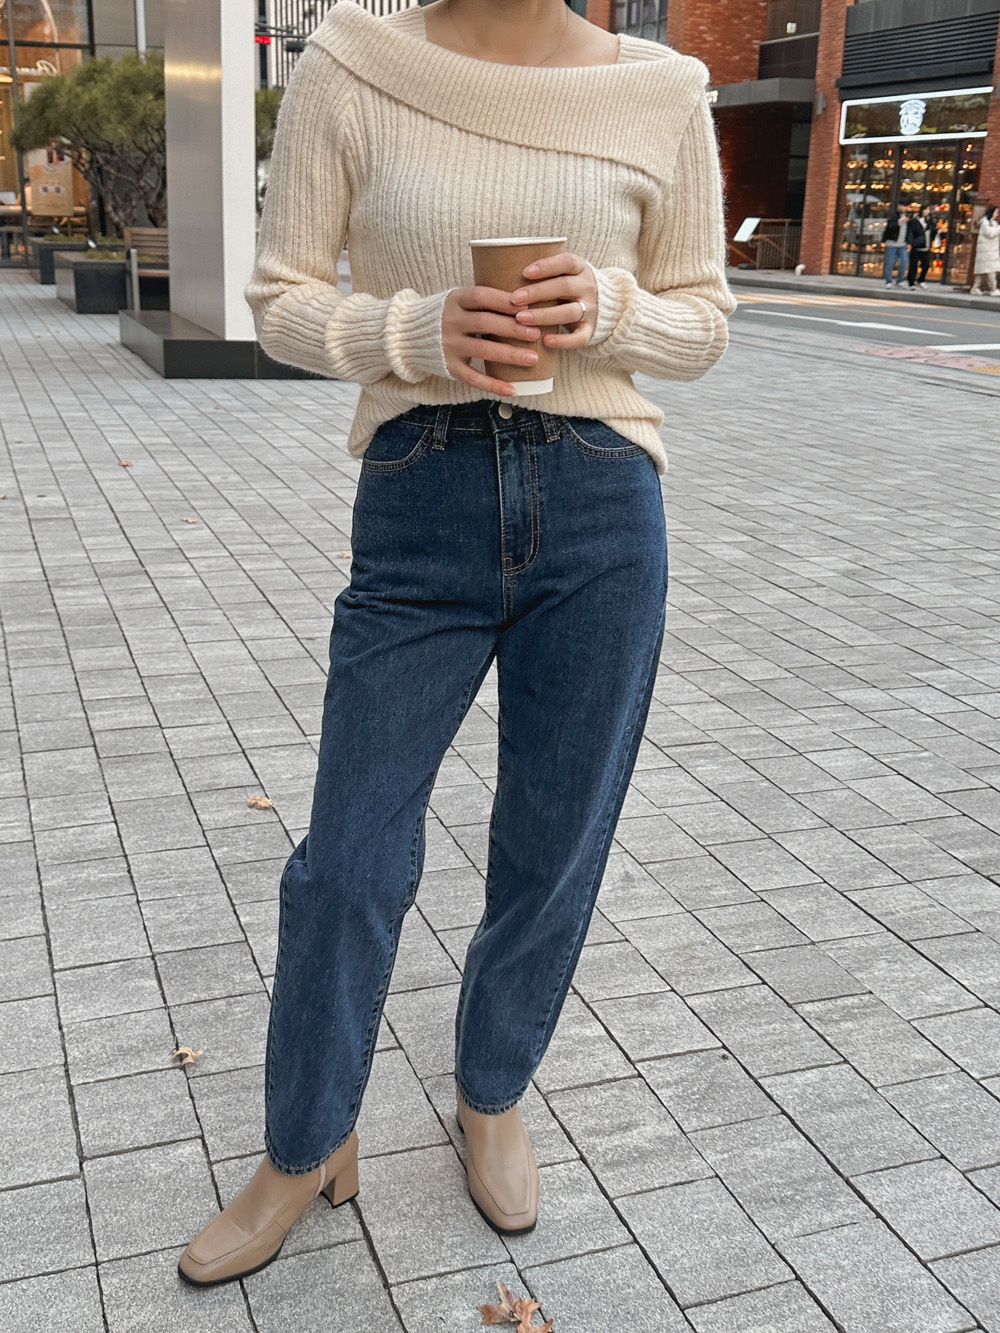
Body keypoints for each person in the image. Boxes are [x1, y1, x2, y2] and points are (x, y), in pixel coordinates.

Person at [177, 0, 736, 1289]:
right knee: (347, 856)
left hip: (601, 501)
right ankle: (306, 1139)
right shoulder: (354, 61)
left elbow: (704, 321)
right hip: (419, 495)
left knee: (555, 837)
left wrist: (608, 307)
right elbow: (280, 300)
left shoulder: (662, 88)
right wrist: (416, 331)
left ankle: (492, 1091)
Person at [970, 205, 1000, 296]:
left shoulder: (993, 222)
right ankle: (993, 289)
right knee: (991, 271)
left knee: (982, 271)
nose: (997, 214)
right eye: (996, 212)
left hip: (990, 250)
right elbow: (990, 233)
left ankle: (975, 288)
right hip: (987, 251)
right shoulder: (985, 222)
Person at [905, 203, 933, 288]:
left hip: (926, 245)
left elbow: (932, 231)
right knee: (913, 265)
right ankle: (911, 282)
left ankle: (921, 279)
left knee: (926, 264)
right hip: (917, 245)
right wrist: (910, 243)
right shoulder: (914, 221)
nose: (927, 211)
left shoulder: (929, 220)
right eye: (925, 209)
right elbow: (910, 233)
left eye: (928, 210)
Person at [881, 207, 907, 287]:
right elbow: (890, 226)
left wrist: (909, 242)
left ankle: (900, 280)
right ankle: (888, 281)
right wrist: (899, 221)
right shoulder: (893, 215)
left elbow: (909, 231)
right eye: (903, 206)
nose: (905, 208)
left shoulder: (908, 216)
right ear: (899, 206)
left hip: (902, 244)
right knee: (889, 263)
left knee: (904, 261)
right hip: (891, 243)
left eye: (906, 206)